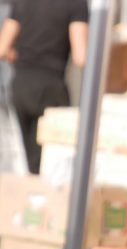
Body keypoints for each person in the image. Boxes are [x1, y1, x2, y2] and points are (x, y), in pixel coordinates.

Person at [0, 0, 89, 174]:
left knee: (30, 161)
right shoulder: (76, 4)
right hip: (51, 88)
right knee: (51, 164)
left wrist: (21, 56)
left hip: (21, 86)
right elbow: (81, 57)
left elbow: (2, 48)